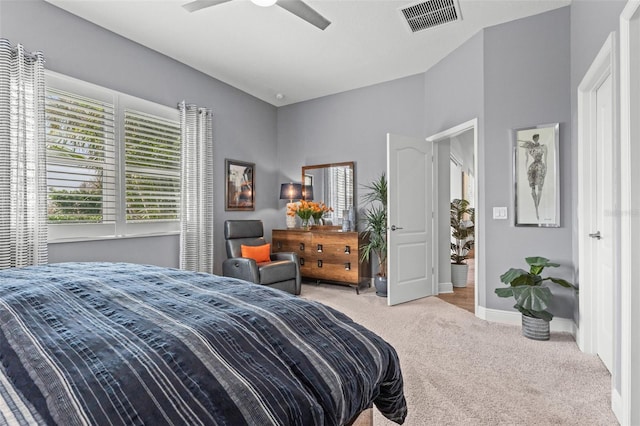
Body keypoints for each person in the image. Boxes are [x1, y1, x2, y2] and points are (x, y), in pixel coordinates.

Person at [519, 133, 547, 220]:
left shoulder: (543, 147)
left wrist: (545, 169)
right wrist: (525, 170)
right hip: (533, 168)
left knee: (540, 188)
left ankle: (536, 210)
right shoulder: (529, 147)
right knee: (533, 188)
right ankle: (536, 211)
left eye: (537, 138)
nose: (536, 140)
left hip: (540, 168)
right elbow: (526, 159)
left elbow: (545, 160)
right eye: (535, 138)